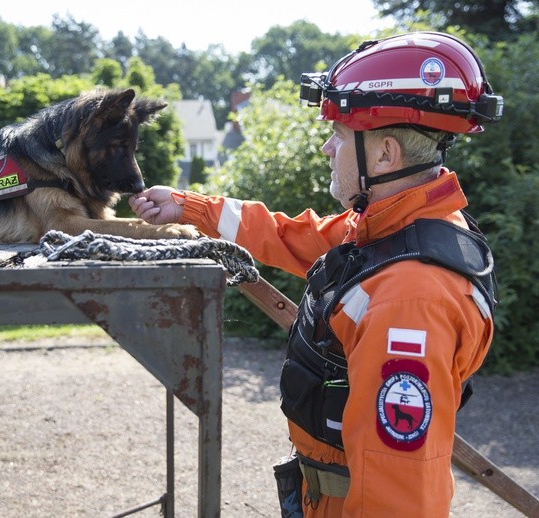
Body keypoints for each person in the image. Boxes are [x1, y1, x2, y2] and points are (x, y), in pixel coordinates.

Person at [130, 31, 502, 516]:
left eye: (341, 136)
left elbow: (396, 495)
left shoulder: (409, 300)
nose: (328, 148)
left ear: (386, 153)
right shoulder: (387, 230)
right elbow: (289, 235)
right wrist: (188, 206)